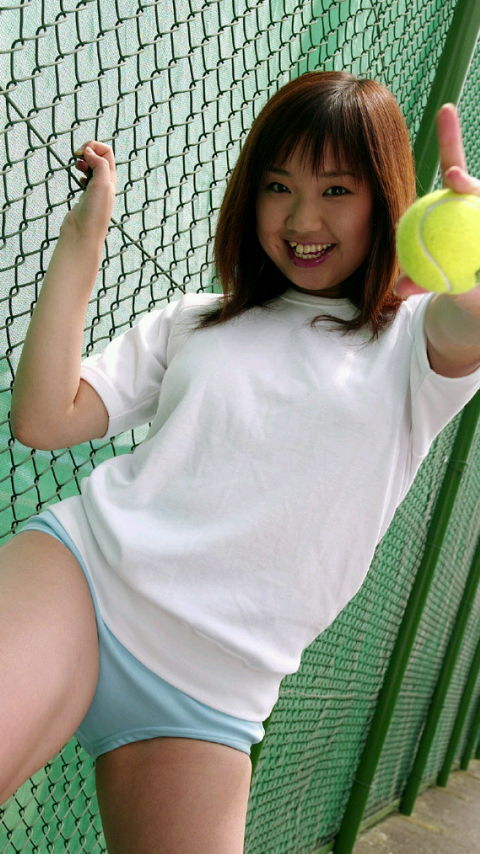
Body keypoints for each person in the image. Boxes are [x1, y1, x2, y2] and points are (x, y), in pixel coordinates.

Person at [2, 70, 480, 853]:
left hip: (212, 694)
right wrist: (84, 237)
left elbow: (470, 323)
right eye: (277, 186)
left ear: (386, 200)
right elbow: (44, 418)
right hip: (82, 581)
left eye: (336, 191)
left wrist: (471, 245)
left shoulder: (413, 346)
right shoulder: (198, 321)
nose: (301, 219)